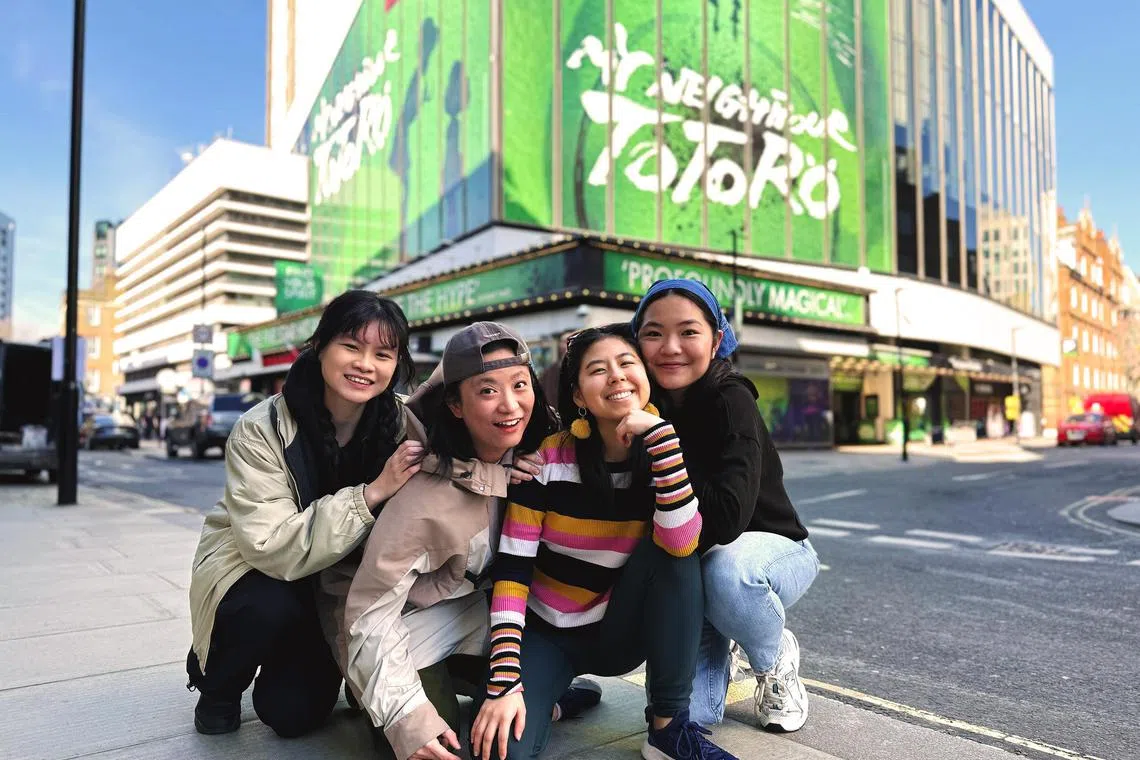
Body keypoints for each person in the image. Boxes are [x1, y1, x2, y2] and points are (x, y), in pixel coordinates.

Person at [472, 324, 737, 760]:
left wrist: (659, 439)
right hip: (547, 633)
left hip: (619, 632)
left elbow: (682, 544)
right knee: (499, 750)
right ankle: (555, 701)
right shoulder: (546, 463)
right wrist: (503, 680)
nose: (616, 376)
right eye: (598, 370)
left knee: (674, 550)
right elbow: (513, 572)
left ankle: (667, 729)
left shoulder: (665, 450)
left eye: (627, 363)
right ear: (578, 395)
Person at [186, 290, 425, 738]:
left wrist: (525, 456)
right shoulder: (261, 428)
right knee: (263, 607)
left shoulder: (400, 420)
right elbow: (270, 545)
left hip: (338, 582)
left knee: (291, 714)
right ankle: (217, 682)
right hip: (259, 571)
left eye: (383, 354)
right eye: (351, 347)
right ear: (321, 347)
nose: (365, 364)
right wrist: (371, 495)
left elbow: (478, 418)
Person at [340, 322, 558, 760]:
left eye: (520, 385)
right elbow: (369, 614)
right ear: (455, 405)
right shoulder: (422, 499)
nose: (511, 405)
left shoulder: (531, 460)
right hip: (404, 632)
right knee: (437, 746)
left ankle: (499, 680)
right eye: (487, 391)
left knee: (514, 727)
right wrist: (406, 715)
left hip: (480, 618)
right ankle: (370, 690)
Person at [631, 279, 819, 732]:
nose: (670, 347)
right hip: (692, 570)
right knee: (685, 718)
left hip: (767, 553)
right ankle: (723, 624)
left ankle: (773, 657)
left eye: (689, 332)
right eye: (653, 333)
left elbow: (727, 519)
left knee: (725, 572)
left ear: (716, 340)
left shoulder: (731, 399)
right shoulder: (637, 400)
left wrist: (660, 441)